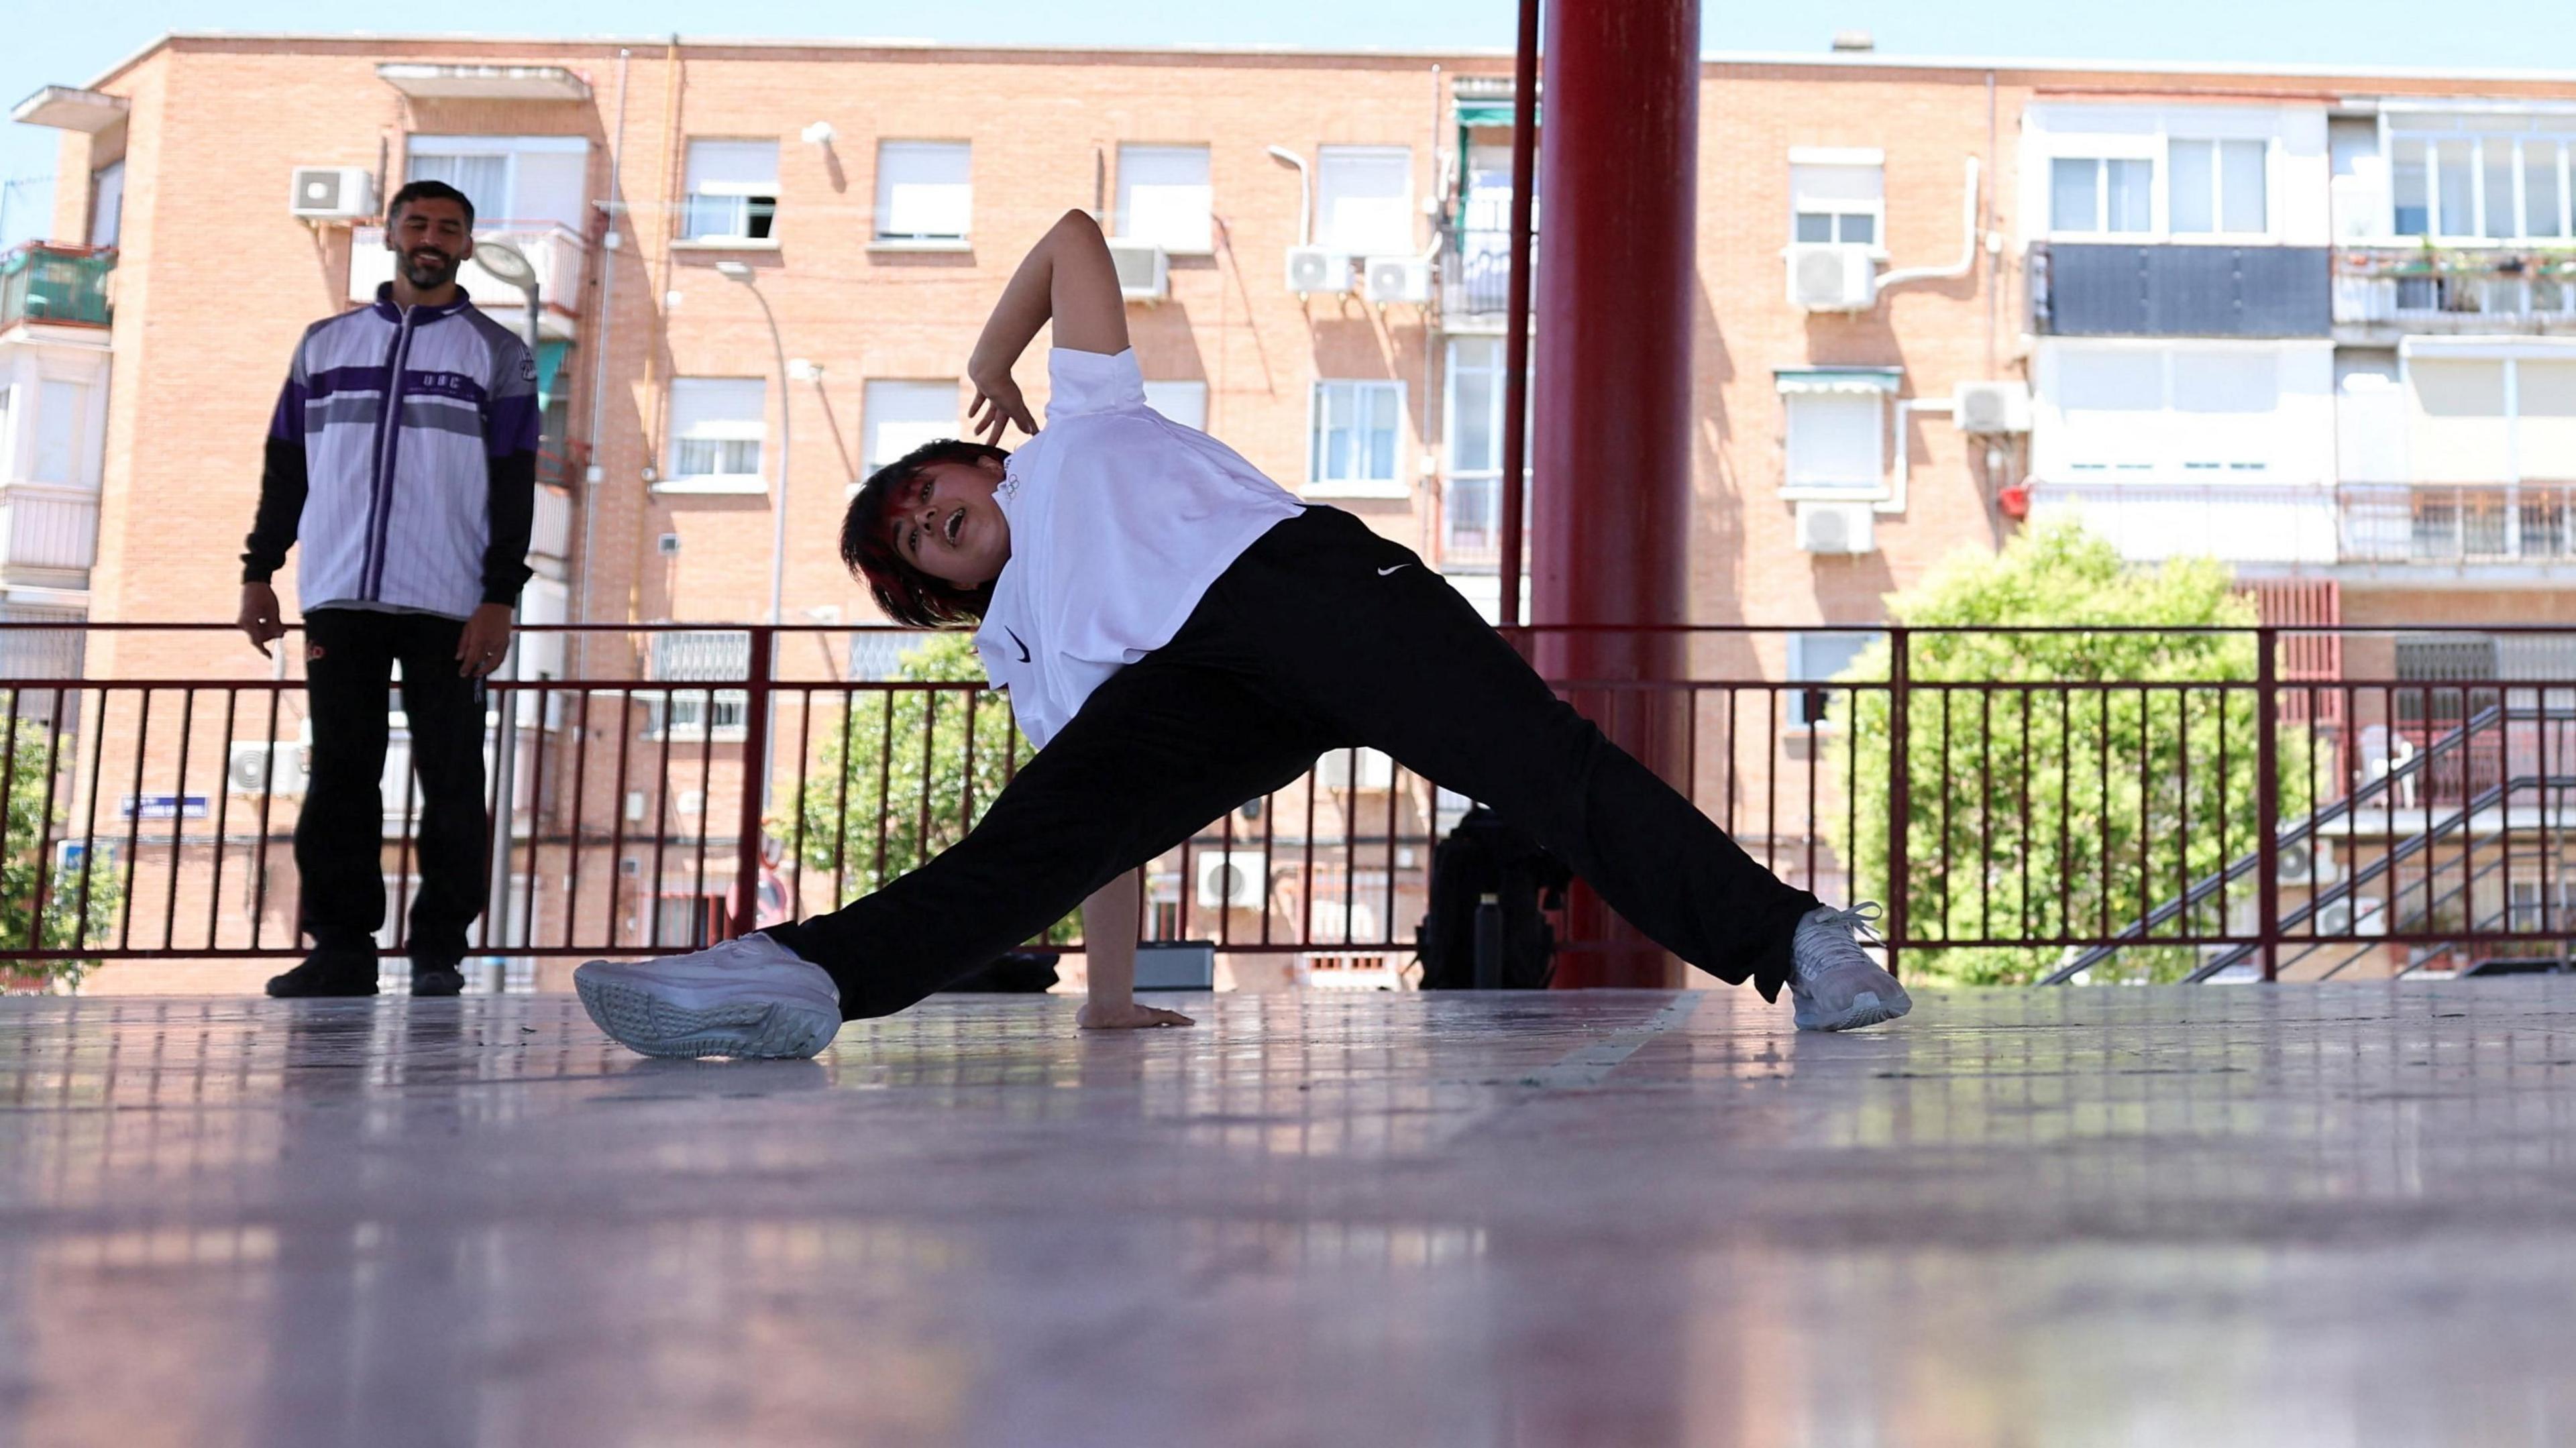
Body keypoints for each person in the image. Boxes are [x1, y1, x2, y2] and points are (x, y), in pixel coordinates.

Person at [574, 209, 1907, 1059]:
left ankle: (1797, 940)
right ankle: (796, 977)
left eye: (932, 488)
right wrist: (1103, 996)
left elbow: (1074, 240)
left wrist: (993, 358)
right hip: (1187, 689)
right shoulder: (1020, 643)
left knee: (1541, 764)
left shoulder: (1077, 429)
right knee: (1022, 839)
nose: (932, 515)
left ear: (980, 466)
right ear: (938, 593)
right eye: (915, 539)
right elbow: (1089, 838)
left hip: (1299, 586)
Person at [239, 179, 539, 999]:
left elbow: (516, 486)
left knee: (451, 778)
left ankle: (439, 948)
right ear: (393, 235)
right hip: (338, 593)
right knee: (340, 771)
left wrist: (498, 598)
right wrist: (259, 571)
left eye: (448, 226)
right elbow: (285, 469)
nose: (431, 237)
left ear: (468, 245)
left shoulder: (498, 354)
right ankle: (341, 948)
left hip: (450, 602)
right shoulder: (323, 345)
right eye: (417, 223)